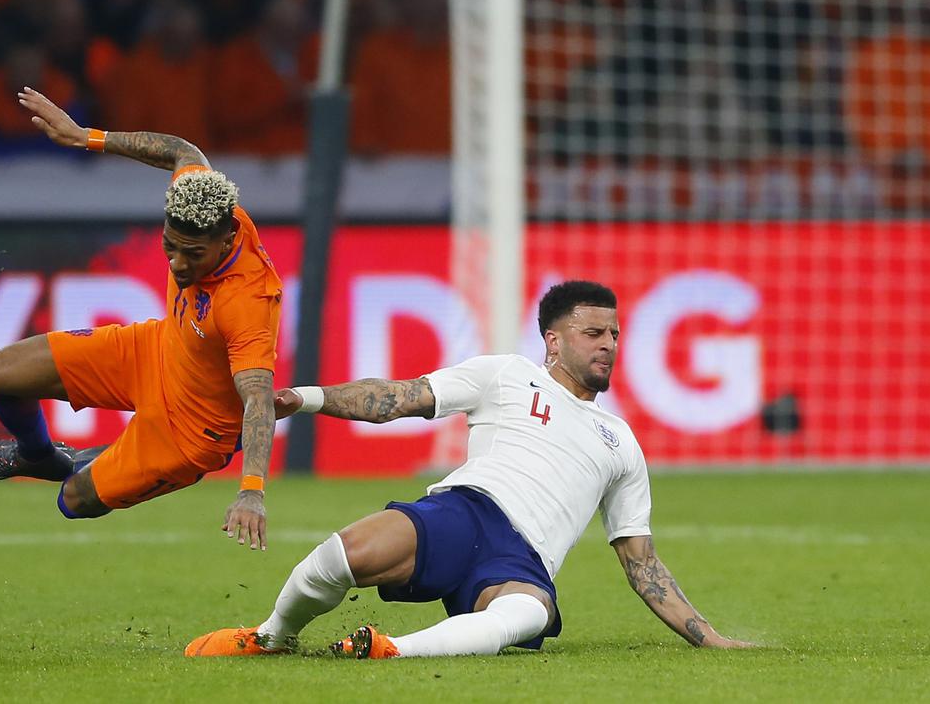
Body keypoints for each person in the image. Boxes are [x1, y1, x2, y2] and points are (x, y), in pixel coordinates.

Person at [186, 281, 754, 658]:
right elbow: (399, 397)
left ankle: (389, 649)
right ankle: (272, 637)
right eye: (593, 333)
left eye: (614, 335)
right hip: (463, 512)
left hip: (523, 561)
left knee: (529, 613)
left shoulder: (621, 442)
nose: (608, 345)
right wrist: (307, 398)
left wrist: (710, 638)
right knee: (340, 556)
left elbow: (641, 562)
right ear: (553, 341)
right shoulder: (505, 375)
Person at [0, 87, 282, 552]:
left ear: (228, 237)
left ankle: (104, 464)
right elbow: (183, 150)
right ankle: (38, 455)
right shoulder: (200, 198)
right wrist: (86, 136)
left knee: (74, 500)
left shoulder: (249, 299)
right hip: (157, 350)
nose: (177, 265)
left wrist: (251, 491)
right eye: (170, 246)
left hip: (192, 430)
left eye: (193, 254)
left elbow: (259, 400)